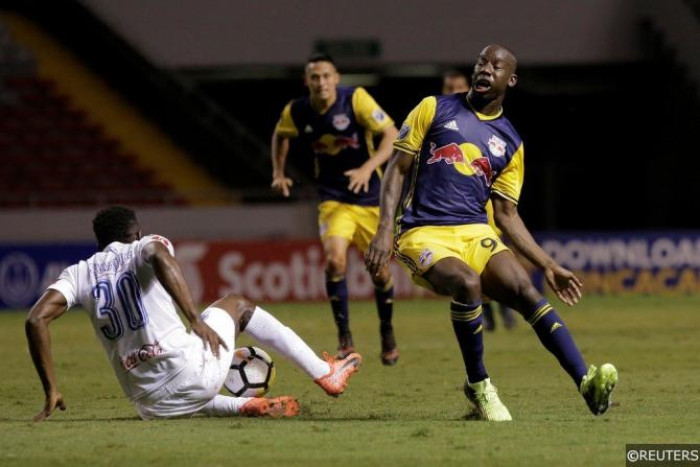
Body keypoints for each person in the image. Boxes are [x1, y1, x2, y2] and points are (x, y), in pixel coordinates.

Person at [366, 45, 618, 421]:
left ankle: (587, 384)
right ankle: (480, 387)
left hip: (475, 231)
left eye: (495, 66)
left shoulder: (511, 142)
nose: (485, 69)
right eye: (482, 62)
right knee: (467, 284)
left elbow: (506, 214)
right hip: (423, 232)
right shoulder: (433, 108)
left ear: (510, 80)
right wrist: (385, 228)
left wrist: (548, 264)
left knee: (526, 291)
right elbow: (397, 170)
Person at [26, 206, 363, 421]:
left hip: (150, 407)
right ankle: (325, 373)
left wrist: (51, 388)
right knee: (238, 304)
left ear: (97, 242)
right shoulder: (145, 245)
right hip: (192, 374)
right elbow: (159, 254)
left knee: (181, 390)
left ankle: (244, 406)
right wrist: (195, 319)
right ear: (136, 232)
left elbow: (35, 319)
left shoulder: (79, 273)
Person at [271, 53, 400, 365]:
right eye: (315, 77)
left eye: (326, 76)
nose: (321, 82)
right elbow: (280, 135)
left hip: (371, 199)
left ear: (336, 78)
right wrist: (278, 171)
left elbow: (392, 135)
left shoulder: (356, 99)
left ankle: (387, 329)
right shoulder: (298, 110)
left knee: (380, 272)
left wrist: (368, 167)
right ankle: (344, 337)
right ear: (307, 81)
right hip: (333, 198)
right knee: (334, 261)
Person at [441, 67, 517, 332]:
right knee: (470, 264)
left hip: (481, 204)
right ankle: (488, 316)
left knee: (492, 258)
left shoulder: (487, 123)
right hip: (452, 209)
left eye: (457, 88)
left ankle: (507, 310)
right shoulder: (439, 121)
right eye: (448, 89)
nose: (453, 93)